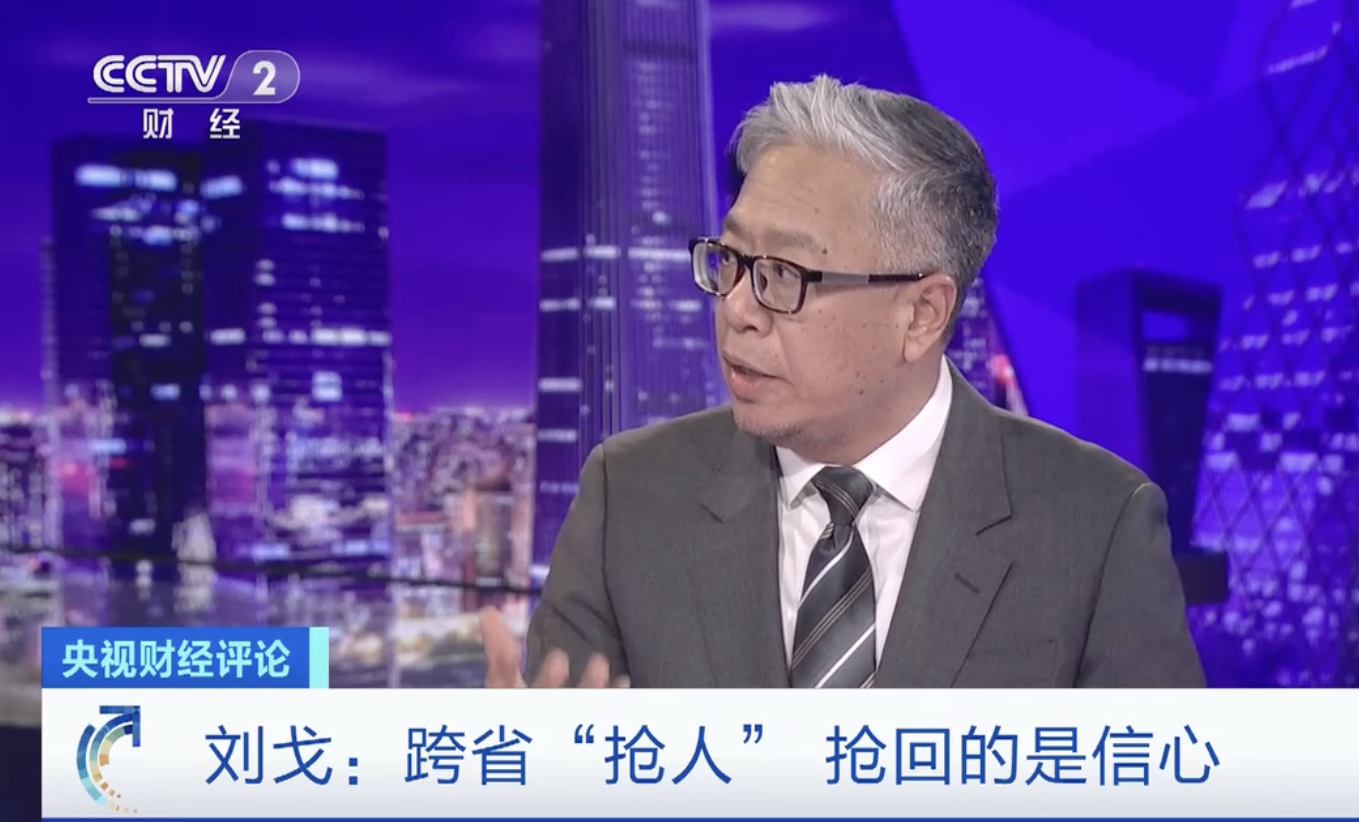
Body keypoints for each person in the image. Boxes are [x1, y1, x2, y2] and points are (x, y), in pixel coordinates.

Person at [482, 75, 1205, 689]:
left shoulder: (1096, 524)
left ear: (922, 314)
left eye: (784, 275)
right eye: (730, 260)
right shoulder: (631, 496)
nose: (737, 310)